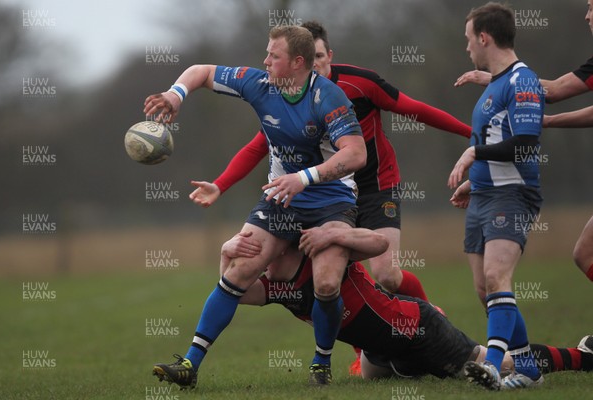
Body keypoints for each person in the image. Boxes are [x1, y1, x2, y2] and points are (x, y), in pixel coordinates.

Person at [189, 20, 473, 376]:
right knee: (328, 275)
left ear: (322, 57)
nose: (318, 65)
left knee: (386, 274)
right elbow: (258, 146)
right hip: (319, 192)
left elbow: (414, 109)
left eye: (321, 57)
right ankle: (360, 350)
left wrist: (471, 133)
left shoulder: (354, 85)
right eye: (314, 58)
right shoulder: (284, 94)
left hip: (375, 184)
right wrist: (221, 184)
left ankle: (430, 326)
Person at [144, 25, 367, 388]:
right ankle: (190, 364)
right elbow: (201, 71)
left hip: (331, 202)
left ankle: (320, 363)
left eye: (273, 56)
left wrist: (305, 178)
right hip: (280, 199)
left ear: (297, 62)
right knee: (238, 269)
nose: (264, 61)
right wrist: (176, 94)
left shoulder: (328, 97)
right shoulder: (259, 84)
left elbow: (357, 154)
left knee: (327, 284)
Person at [219, 226, 593, 381]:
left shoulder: (325, 261)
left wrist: (335, 232)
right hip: (379, 352)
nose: (262, 262)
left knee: (502, 366)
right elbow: (233, 292)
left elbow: (380, 244)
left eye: (267, 252)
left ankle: (581, 357)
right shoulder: (277, 287)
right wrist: (226, 253)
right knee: (368, 374)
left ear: (289, 246)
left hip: (419, 330)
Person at [454, 0, 593, 284]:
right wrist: (499, 78)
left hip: (515, 193)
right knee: (584, 254)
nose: (587, 16)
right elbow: (552, 91)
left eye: (592, 7)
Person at [447, 2, 546, 390]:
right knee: (484, 289)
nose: (467, 47)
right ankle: (528, 369)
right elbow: (495, 139)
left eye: (469, 39)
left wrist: (473, 154)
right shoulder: (495, 84)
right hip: (485, 195)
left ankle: (491, 365)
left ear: (484, 37)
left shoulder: (523, 81)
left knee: (496, 276)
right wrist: (475, 180)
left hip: (514, 195)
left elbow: (524, 145)